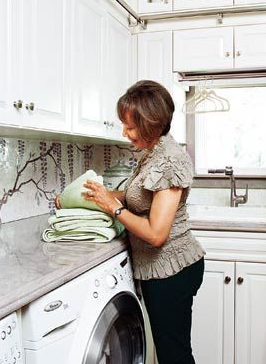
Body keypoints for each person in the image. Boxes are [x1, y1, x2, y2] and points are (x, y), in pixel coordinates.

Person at [57, 80, 205, 364]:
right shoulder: (153, 155)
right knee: (170, 349)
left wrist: (113, 208)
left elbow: (156, 234)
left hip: (171, 271)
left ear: (151, 123)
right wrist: (85, 197)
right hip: (159, 270)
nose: (124, 131)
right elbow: (134, 195)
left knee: (175, 354)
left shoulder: (170, 161)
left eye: (131, 125)